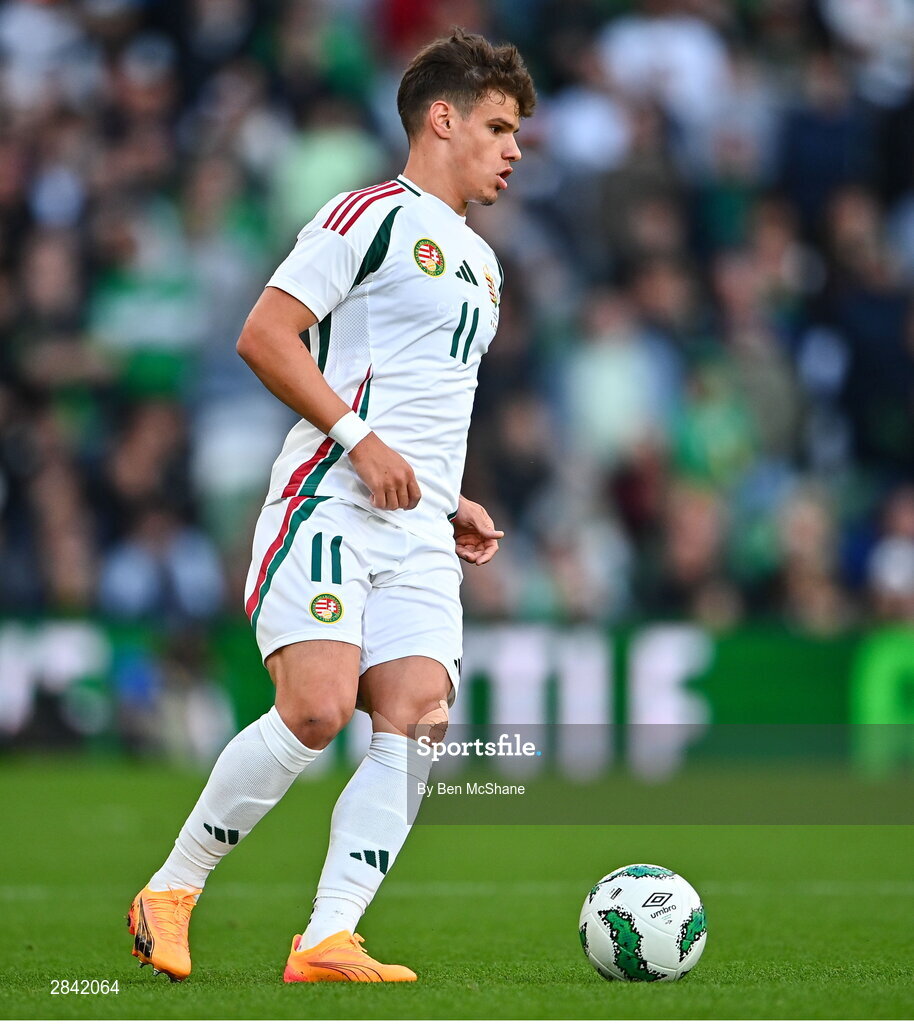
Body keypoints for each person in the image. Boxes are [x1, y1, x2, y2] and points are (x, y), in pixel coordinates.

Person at [127, 28, 536, 984]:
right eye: (500, 126)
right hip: (329, 502)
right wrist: (361, 444)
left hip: (419, 528)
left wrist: (449, 498)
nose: (514, 149)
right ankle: (172, 889)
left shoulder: (484, 265)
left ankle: (327, 937)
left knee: (418, 718)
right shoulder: (371, 216)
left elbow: (423, 401)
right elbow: (266, 337)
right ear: (443, 119)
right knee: (314, 712)